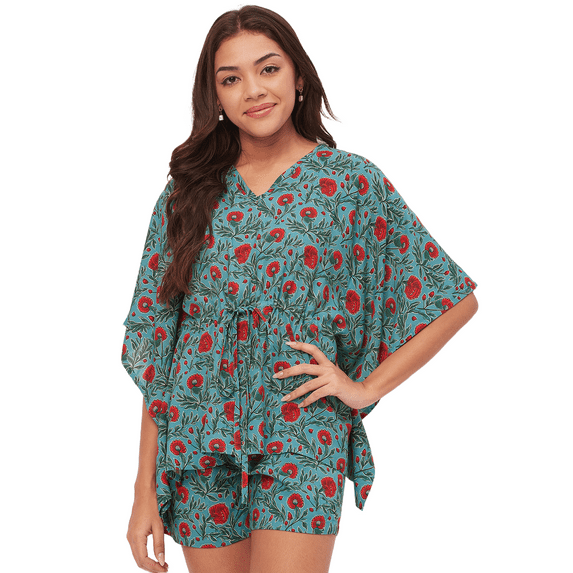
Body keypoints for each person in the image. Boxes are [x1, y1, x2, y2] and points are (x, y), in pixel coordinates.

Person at [122, 5, 479, 573]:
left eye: (268, 69)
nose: (253, 90)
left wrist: (362, 388)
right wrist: (144, 488)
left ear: (299, 77)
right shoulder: (186, 194)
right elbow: (159, 347)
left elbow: (450, 298)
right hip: (198, 438)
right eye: (231, 78)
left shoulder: (350, 183)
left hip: (302, 430)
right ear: (215, 96)